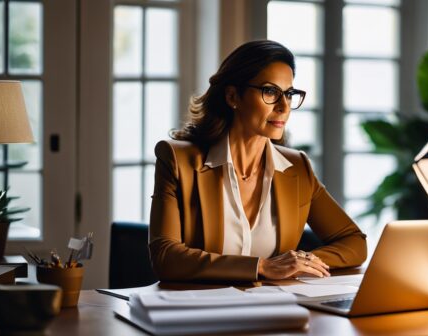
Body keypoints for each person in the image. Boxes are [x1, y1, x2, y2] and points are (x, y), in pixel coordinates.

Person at [149, 40, 366, 282]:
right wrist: (261, 267)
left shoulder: (298, 167)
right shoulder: (178, 160)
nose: (284, 107)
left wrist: (302, 261)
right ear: (233, 96)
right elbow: (166, 256)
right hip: (200, 311)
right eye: (270, 92)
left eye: (290, 94)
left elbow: (354, 242)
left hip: (275, 310)